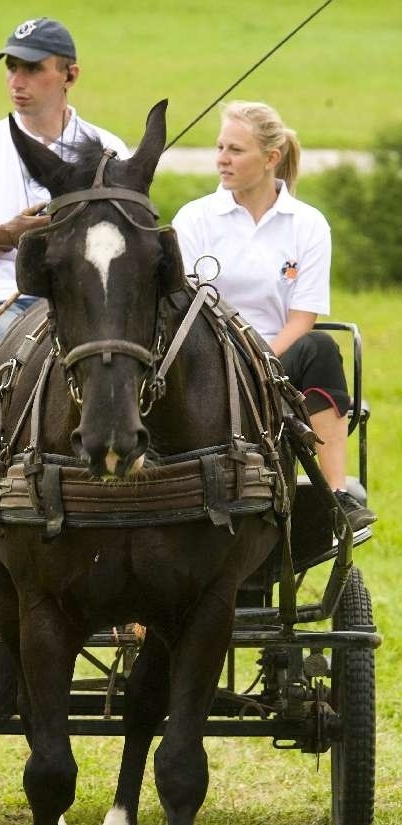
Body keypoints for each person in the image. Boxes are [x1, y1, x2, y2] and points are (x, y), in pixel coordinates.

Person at [172, 100, 376, 532]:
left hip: (274, 360)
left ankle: (335, 494)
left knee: (320, 346)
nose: (222, 159)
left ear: (270, 158)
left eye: (236, 150)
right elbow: (182, 309)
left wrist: (257, 359)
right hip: (204, 355)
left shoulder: (307, 224)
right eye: (220, 147)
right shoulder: (194, 219)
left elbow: (302, 318)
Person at [0, 17, 128, 371]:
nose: (17, 82)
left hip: (91, 305)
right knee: (38, 371)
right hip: (1, 307)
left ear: (71, 75)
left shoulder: (109, 149)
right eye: (11, 68)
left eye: (33, 69)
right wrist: (4, 237)